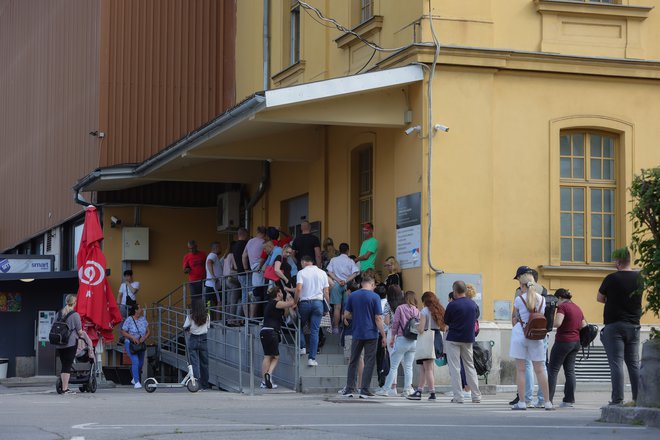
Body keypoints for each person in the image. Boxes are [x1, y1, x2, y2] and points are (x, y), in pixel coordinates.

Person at [597, 247, 642, 406]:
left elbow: (600, 298)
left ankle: (617, 399)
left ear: (618, 262)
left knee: (616, 364)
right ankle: (638, 398)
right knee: (634, 364)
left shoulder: (611, 278)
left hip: (614, 325)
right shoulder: (639, 278)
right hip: (634, 325)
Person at [510, 273, 554, 410]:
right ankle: (547, 402)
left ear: (522, 285)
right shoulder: (542, 299)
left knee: (521, 370)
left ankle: (522, 402)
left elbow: (515, 317)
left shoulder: (519, 299)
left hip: (520, 334)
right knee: (541, 369)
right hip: (536, 335)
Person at [341, 273, 387, 398]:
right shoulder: (375, 297)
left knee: (353, 360)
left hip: (356, 332)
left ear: (361, 284)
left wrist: (357, 316)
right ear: (372, 284)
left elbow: (346, 314)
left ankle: (350, 388)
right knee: (369, 361)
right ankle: (364, 389)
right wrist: (383, 335)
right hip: (371, 333)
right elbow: (378, 318)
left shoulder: (353, 296)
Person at [444, 280, 482, 404]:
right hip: (468, 339)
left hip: (454, 338)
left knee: (455, 368)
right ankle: (476, 396)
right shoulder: (473, 305)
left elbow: (447, 321)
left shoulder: (452, 305)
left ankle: (458, 396)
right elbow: (476, 318)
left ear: (455, 291)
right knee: (470, 366)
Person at [548, 288, 586, 407]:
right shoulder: (577, 307)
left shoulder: (563, 307)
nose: (556, 304)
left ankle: (548, 400)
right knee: (570, 371)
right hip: (576, 342)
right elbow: (584, 325)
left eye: (556, 300)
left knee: (553, 370)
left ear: (559, 298)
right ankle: (568, 400)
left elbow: (558, 322)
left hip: (563, 341)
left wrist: (548, 323)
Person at [376, 290, 419, 397]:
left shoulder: (400, 308)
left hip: (401, 339)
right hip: (413, 340)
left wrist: (392, 337)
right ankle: (407, 390)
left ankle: (385, 389)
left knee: (394, 366)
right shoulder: (417, 310)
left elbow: (395, 323)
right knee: (409, 366)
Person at [407, 291, 446, 401]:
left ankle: (432, 393)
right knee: (425, 367)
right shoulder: (439, 310)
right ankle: (419, 390)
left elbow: (421, 329)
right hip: (437, 338)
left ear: (424, 301)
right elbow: (444, 327)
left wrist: (416, 326)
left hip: (427, 340)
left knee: (427, 368)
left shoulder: (424, 311)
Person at [295, 255, 330, 366]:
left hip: (305, 303)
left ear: (304, 262)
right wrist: (327, 307)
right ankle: (312, 359)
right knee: (315, 331)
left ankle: (302, 346)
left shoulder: (301, 272)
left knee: (298, 324)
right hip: (318, 303)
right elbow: (326, 292)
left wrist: (295, 302)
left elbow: (299, 288)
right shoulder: (322, 273)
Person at [55, 294, 93, 395]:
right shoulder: (75, 315)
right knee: (67, 366)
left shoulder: (58, 314)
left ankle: (64, 387)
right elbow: (80, 332)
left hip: (59, 343)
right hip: (70, 343)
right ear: (74, 303)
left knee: (64, 365)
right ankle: (65, 389)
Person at [260, 286, 295, 389]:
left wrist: (287, 303)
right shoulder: (275, 303)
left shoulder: (272, 304)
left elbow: (286, 313)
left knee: (268, 356)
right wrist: (290, 297)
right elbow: (291, 303)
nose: (282, 294)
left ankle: (264, 381)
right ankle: (268, 375)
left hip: (265, 331)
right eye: (281, 292)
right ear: (278, 294)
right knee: (275, 356)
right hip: (271, 332)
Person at [327, 243, 360, 334]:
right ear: (347, 250)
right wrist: (345, 280)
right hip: (347, 286)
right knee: (347, 307)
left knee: (337, 307)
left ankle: (336, 328)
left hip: (336, 285)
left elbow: (329, 272)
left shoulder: (333, 260)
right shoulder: (350, 261)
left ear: (339, 250)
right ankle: (346, 327)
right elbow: (356, 272)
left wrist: (337, 280)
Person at [121, 304, 151, 389]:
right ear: (136, 310)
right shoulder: (129, 320)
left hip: (140, 344)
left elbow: (148, 331)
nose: (141, 309)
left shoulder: (143, 319)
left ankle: (134, 378)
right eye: (140, 308)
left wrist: (144, 337)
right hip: (130, 344)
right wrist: (132, 337)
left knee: (141, 363)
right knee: (135, 361)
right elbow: (123, 332)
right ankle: (137, 382)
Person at [184, 299, 210, 390]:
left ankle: (196, 384)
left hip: (193, 339)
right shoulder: (207, 316)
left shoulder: (190, 317)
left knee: (194, 363)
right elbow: (207, 327)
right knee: (205, 363)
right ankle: (205, 385)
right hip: (204, 339)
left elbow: (185, 327)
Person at [242, 226, 267, 318]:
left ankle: (252, 317)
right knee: (261, 293)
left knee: (255, 293)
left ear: (257, 232)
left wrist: (246, 269)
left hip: (253, 269)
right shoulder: (264, 243)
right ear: (264, 233)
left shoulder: (250, 241)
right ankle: (256, 317)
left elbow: (244, 256)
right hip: (260, 268)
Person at [232, 228, 249, 317]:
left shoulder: (234, 246)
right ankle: (248, 316)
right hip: (246, 272)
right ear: (245, 234)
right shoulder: (245, 244)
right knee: (248, 294)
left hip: (239, 272)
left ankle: (246, 316)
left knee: (244, 294)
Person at [204, 242, 222, 307]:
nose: (221, 249)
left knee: (210, 305)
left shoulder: (211, 255)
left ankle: (210, 317)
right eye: (220, 248)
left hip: (210, 285)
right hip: (214, 285)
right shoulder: (213, 255)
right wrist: (213, 276)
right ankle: (218, 318)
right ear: (216, 248)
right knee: (219, 303)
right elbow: (209, 263)